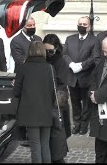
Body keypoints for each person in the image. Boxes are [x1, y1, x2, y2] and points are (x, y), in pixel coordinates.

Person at [13, 41, 55, 163]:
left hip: (30, 112)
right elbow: (54, 91)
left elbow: (16, 92)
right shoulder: (50, 68)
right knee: (45, 145)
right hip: (46, 110)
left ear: (29, 51)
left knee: (35, 146)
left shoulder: (23, 68)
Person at [63, 16, 98, 135]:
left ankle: (84, 125)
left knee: (87, 103)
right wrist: (71, 64)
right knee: (74, 102)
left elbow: (94, 57)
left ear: (89, 26)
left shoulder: (94, 40)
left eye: (84, 24)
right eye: (80, 24)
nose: (82, 26)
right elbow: (64, 54)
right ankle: (76, 124)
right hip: (72, 77)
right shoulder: (69, 39)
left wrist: (82, 66)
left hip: (86, 77)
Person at [10, 17, 42, 146]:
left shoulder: (38, 39)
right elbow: (20, 61)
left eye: (34, 25)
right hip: (24, 79)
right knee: (25, 107)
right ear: (23, 26)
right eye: (29, 26)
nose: (32, 27)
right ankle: (25, 135)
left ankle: (34, 134)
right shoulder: (16, 41)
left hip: (39, 79)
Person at [43, 34, 70, 163]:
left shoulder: (61, 61)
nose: (48, 53)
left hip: (57, 102)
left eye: (50, 51)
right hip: (45, 101)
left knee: (57, 135)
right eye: (45, 50)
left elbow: (61, 82)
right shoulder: (42, 59)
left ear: (57, 48)